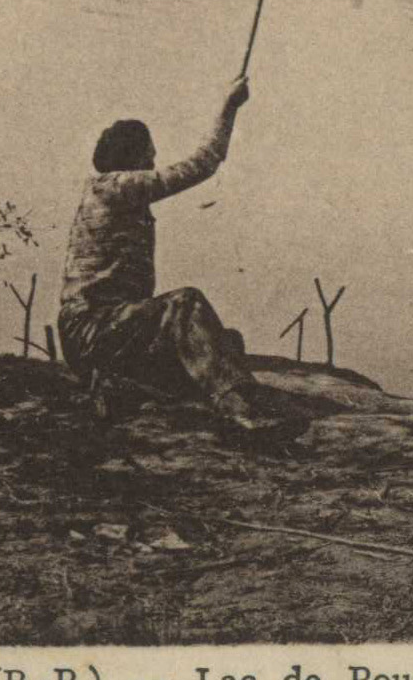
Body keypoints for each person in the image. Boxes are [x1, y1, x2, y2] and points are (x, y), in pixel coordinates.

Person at [58, 75, 288, 443]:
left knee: (225, 343)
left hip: (105, 332)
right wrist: (228, 108)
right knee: (185, 303)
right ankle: (239, 414)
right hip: (92, 330)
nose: (154, 160)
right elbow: (203, 164)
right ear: (132, 158)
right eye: (149, 153)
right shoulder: (116, 187)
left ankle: (118, 384)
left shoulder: (115, 192)